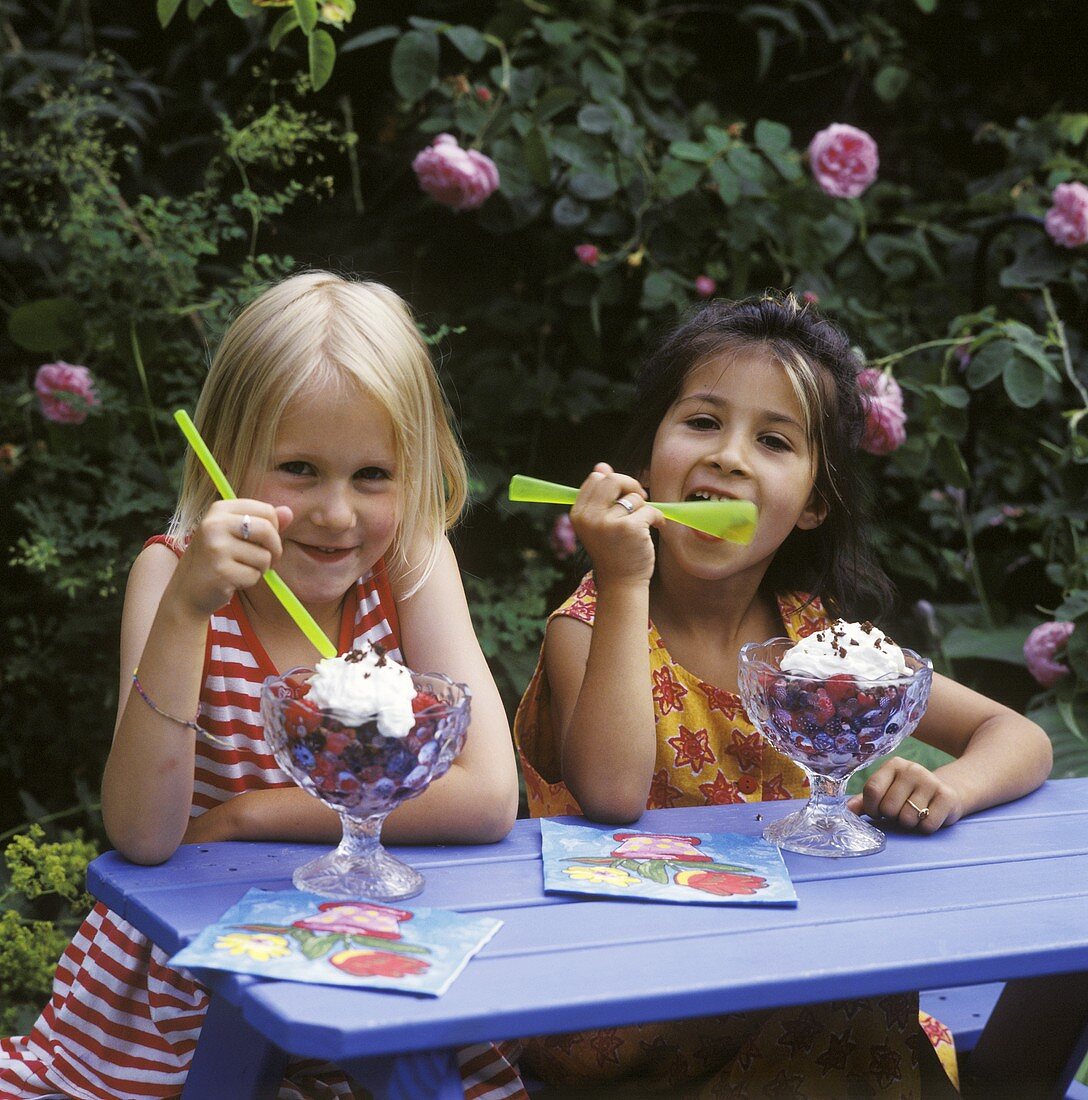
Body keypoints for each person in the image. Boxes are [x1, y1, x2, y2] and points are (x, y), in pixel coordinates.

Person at [0, 272, 526, 1100]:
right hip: (190, 987)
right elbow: (142, 833)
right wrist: (186, 614)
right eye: (298, 468)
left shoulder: (412, 561)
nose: (337, 513)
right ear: (225, 455)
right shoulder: (171, 577)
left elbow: (491, 795)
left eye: (373, 476)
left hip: (376, 956)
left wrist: (246, 816)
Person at [513, 293, 1053, 1098]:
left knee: (863, 989)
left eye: (772, 440)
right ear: (651, 458)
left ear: (812, 505)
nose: (729, 457)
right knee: (859, 1003)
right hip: (625, 997)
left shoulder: (815, 645)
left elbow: (1019, 735)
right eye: (701, 422)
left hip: (789, 975)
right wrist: (626, 579)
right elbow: (614, 794)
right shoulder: (591, 623)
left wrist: (944, 787)